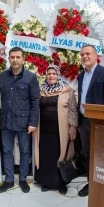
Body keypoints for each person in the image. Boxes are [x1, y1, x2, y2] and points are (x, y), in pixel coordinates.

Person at [0, 47, 39, 193]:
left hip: (24, 122)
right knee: (7, 151)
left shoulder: (30, 77)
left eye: (18, 57)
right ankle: (8, 180)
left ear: (23, 59)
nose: (15, 60)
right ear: (8, 58)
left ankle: (22, 179)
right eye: (12, 57)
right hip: (6, 121)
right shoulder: (2, 76)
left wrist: (33, 122)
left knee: (25, 151)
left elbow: (35, 101)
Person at [77, 44, 104, 197]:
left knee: (102, 155)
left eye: (88, 53)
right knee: (87, 154)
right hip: (84, 122)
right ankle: (91, 182)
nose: (85, 57)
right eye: (82, 55)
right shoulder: (81, 76)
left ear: (96, 56)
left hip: (101, 123)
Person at [34, 65, 78, 195]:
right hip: (43, 131)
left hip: (61, 131)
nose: (51, 76)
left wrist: (73, 127)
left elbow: (73, 110)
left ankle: (61, 183)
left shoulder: (67, 90)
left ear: (58, 75)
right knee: (45, 156)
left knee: (61, 156)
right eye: (49, 74)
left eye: (54, 73)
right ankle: (46, 182)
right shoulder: (40, 90)